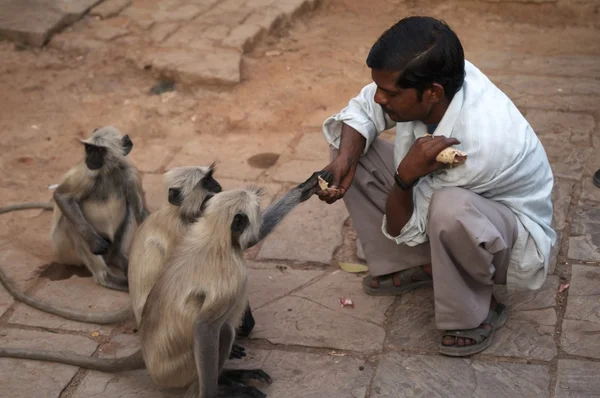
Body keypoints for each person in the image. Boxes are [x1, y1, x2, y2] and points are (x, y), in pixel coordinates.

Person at [317, 16, 556, 357]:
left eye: (391, 92)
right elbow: (364, 108)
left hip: (510, 240)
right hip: (462, 203)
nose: (381, 98)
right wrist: (344, 162)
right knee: (349, 149)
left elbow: (409, 225)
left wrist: (404, 177)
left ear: (432, 93)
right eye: (379, 88)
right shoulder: (438, 72)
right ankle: (412, 265)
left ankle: (476, 311)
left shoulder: (479, 145)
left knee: (448, 209)